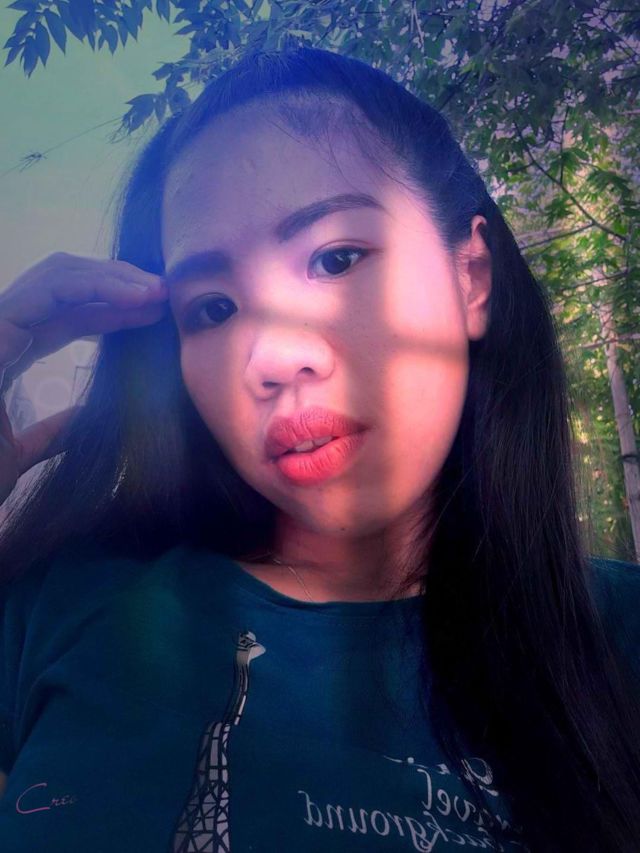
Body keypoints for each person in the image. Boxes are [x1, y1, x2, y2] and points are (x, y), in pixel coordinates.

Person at [0, 46, 639, 852]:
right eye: (213, 308)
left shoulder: (618, 638)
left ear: (471, 275)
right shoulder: (65, 602)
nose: (270, 358)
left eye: (336, 258)